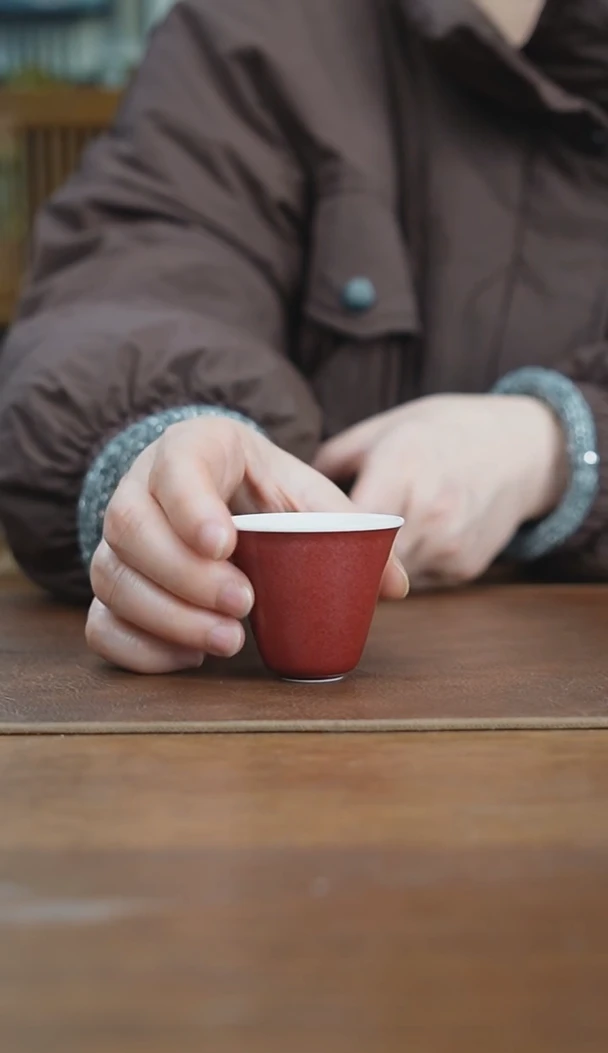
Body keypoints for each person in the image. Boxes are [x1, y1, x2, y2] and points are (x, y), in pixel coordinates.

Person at [0, 0, 606, 673]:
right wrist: (163, 456)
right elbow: (142, 264)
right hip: (240, 722)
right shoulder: (258, 27)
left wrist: (563, 445)